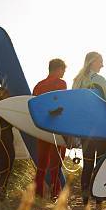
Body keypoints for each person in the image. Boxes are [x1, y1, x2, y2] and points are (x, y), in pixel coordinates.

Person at [73, 51, 106, 206]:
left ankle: (85, 199)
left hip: (85, 129)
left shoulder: (77, 81)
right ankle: (98, 199)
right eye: (100, 61)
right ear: (93, 61)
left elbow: (75, 106)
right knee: (100, 163)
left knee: (88, 163)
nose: (102, 65)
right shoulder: (99, 80)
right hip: (101, 128)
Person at [32, 58, 67, 199]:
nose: (64, 73)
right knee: (55, 165)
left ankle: (38, 194)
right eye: (63, 70)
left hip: (41, 128)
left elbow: (34, 107)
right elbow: (62, 104)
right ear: (58, 69)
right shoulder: (61, 83)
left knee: (41, 164)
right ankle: (55, 194)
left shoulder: (38, 86)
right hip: (56, 127)